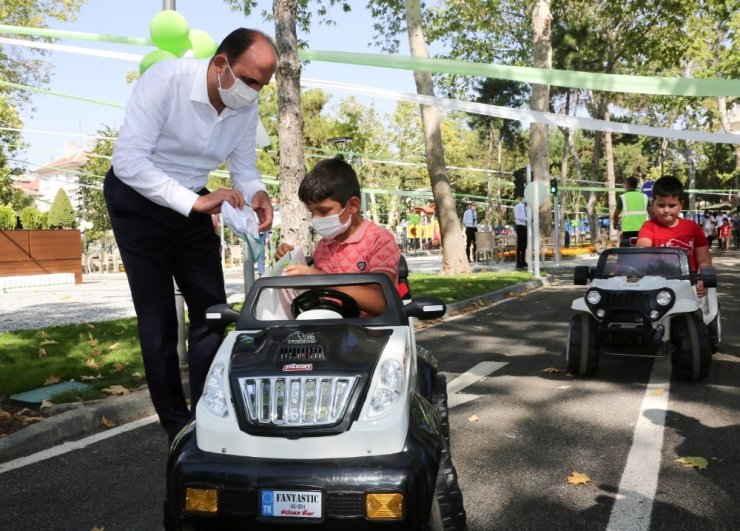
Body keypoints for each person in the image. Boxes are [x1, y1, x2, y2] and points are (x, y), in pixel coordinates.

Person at [103, 28, 278, 443]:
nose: (254, 93)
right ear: (220, 64)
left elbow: (245, 170)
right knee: (158, 315)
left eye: (263, 86)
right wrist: (193, 202)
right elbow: (128, 161)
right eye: (250, 80)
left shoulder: (244, 107)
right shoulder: (165, 81)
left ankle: (206, 413)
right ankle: (175, 426)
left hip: (194, 201)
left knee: (212, 311)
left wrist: (258, 194)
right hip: (138, 199)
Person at [275, 157, 400, 315]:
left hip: (373, 333)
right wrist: (288, 264)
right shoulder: (324, 245)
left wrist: (320, 279)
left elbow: (381, 302)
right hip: (329, 329)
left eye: (324, 211)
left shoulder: (379, 240)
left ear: (353, 206)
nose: (315, 219)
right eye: (312, 211)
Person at [636, 176, 712, 297]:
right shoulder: (648, 227)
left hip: (690, 285)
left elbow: (704, 261)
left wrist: (702, 280)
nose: (666, 210)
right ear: (653, 204)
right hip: (656, 285)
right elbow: (642, 253)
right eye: (661, 205)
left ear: (681, 205)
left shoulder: (693, 228)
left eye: (672, 206)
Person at [613, 176, 650, 247]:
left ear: (627, 184)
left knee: (626, 253)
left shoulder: (622, 197)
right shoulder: (645, 196)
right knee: (643, 252)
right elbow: (651, 212)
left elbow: (616, 214)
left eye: (625, 183)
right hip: (643, 230)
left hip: (627, 231)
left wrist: (615, 224)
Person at [513, 194, 528, 269]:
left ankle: (523, 261)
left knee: (524, 245)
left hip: (525, 227)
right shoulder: (517, 207)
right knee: (520, 245)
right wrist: (526, 218)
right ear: (521, 198)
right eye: (524, 198)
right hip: (520, 226)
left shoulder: (526, 207)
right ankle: (518, 262)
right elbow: (518, 217)